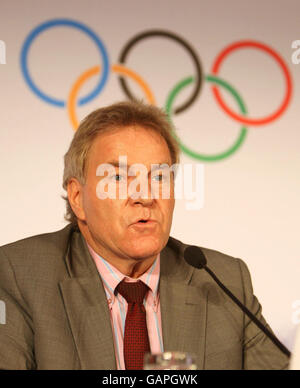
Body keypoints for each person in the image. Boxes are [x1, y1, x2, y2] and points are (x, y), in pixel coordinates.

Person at [0, 101, 289, 370]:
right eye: (119, 178)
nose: (145, 196)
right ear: (77, 198)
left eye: (160, 177)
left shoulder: (222, 281)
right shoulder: (19, 275)